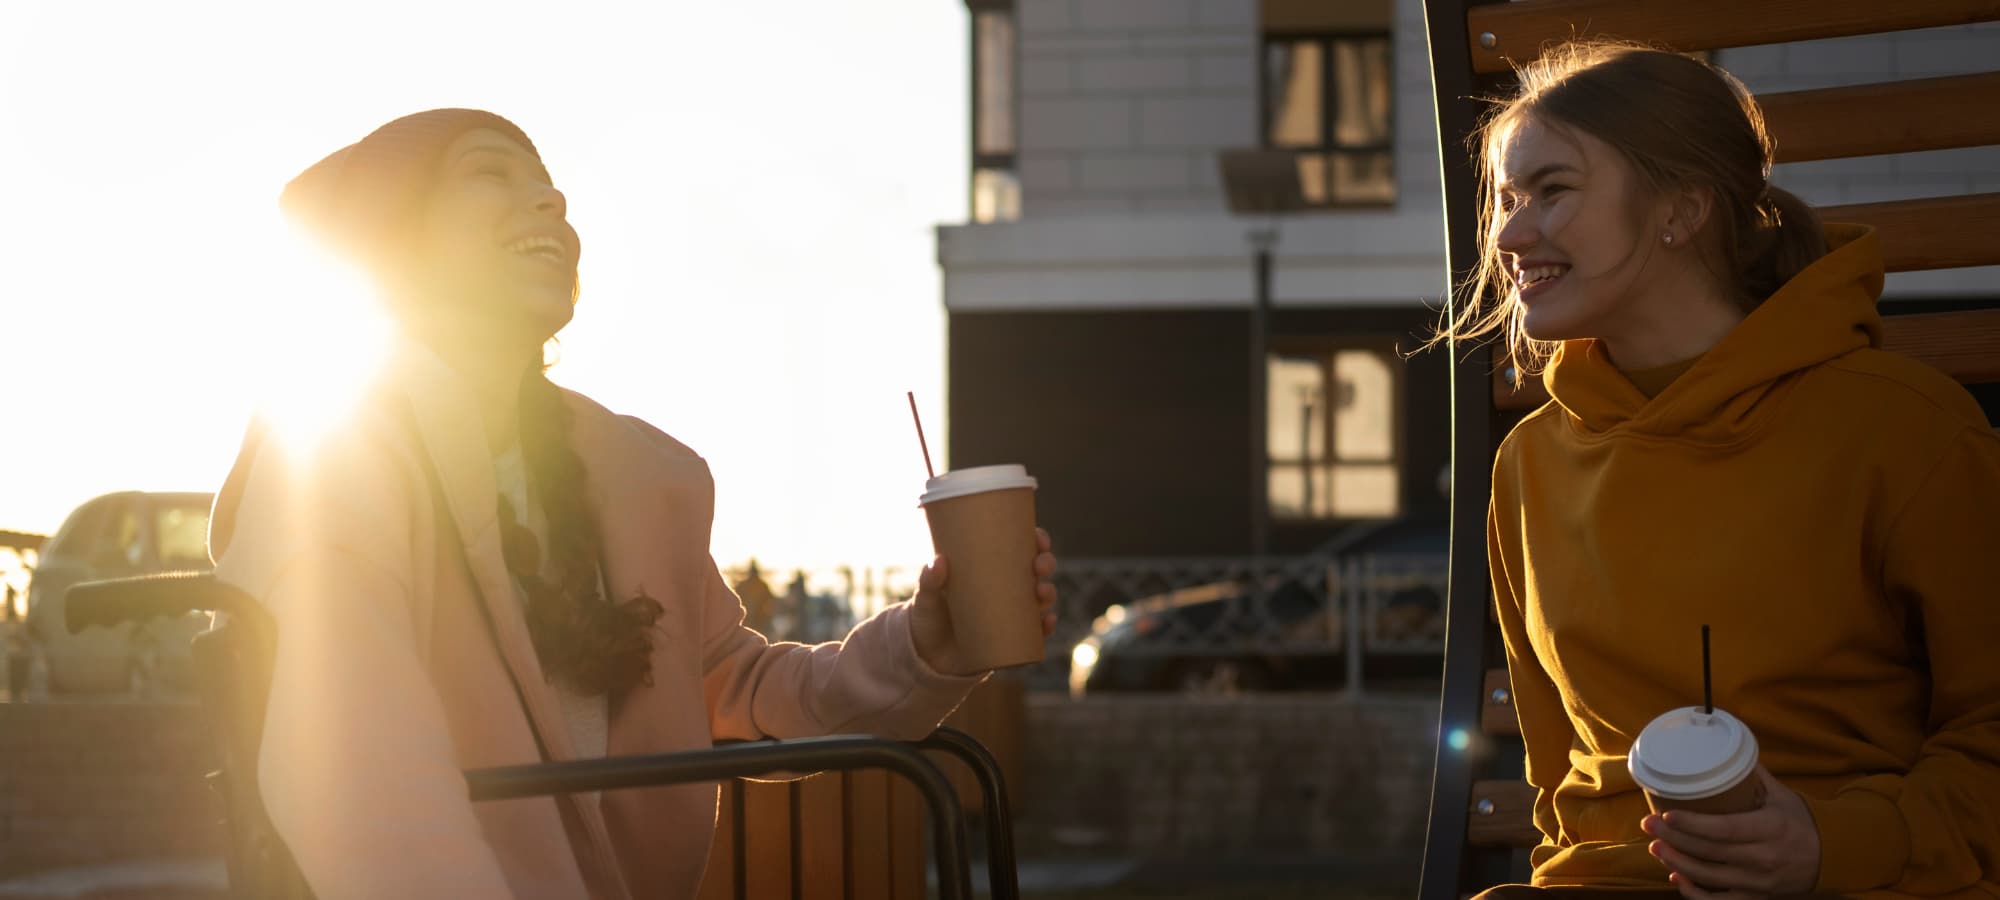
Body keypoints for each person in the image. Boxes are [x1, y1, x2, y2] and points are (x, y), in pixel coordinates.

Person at [207, 109, 1060, 900]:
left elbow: (738, 696)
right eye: (488, 175)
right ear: (394, 245)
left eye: (547, 182)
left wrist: (925, 647)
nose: (550, 196)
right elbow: (358, 764)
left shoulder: (635, 479)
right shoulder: (329, 457)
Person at [1431, 42, 2000, 900]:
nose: (1508, 235)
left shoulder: (1903, 429)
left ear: (1682, 208)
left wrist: (1830, 845)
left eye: (1552, 191)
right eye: (1508, 199)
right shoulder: (1530, 464)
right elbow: (1558, 785)